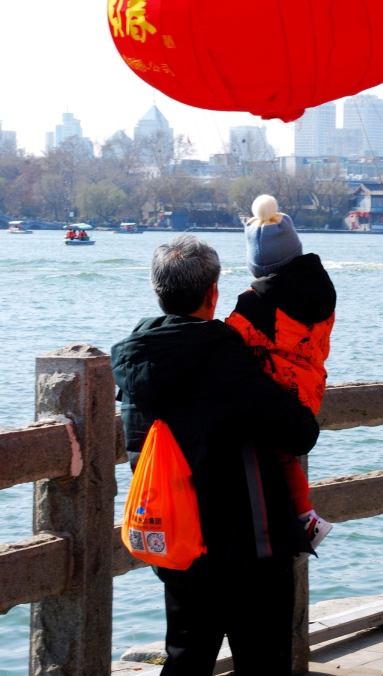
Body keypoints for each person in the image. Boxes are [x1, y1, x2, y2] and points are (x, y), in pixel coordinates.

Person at [111, 236, 319, 676]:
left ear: (158, 292)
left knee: (186, 660)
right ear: (213, 294)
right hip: (249, 547)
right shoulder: (225, 357)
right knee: (263, 664)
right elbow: (299, 433)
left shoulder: (138, 360)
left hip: (177, 538)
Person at [226, 195, 336, 551]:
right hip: (313, 387)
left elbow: (232, 339)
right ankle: (304, 516)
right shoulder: (323, 293)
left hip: (282, 395)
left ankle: (306, 518)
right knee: (285, 456)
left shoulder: (254, 306)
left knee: (279, 457)